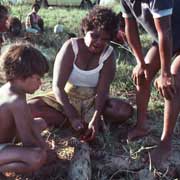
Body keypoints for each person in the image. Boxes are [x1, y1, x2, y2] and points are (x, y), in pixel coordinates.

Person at [28, 6, 133, 141]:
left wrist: (95, 116)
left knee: (124, 111)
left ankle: (83, 124)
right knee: (31, 108)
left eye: (105, 39)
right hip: (65, 99)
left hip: (92, 102)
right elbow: (58, 87)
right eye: (95, 36)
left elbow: (102, 91)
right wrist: (71, 115)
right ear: (85, 29)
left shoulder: (108, 54)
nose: (99, 42)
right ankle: (76, 123)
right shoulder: (71, 47)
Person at [120, 0, 180, 165]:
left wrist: (165, 73)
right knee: (143, 75)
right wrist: (140, 62)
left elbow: (164, 32)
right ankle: (141, 126)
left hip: (168, 35)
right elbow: (129, 28)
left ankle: (165, 143)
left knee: (174, 80)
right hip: (167, 37)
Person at [0, 42, 49, 174]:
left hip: (5, 139)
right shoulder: (16, 101)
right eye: (38, 78)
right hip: (2, 145)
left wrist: (45, 146)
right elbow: (29, 143)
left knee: (41, 123)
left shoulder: (13, 89)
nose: (40, 83)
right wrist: (46, 153)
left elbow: (31, 123)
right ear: (21, 77)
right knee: (37, 157)